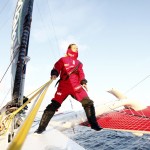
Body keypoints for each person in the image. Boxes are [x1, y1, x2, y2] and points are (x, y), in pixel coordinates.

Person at [35, 44, 102, 134]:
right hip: (63, 87)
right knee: (53, 105)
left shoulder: (79, 63)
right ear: (69, 49)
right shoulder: (63, 59)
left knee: (88, 103)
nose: (76, 49)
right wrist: (54, 74)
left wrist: (83, 82)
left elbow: (81, 73)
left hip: (76, 87)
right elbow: (56, 67)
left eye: (77, 48)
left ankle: (94, 125)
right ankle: (41, 128)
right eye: (74, 47)